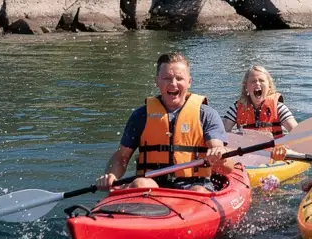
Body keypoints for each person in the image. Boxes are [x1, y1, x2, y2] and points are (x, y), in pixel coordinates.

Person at [96, 53, 235, 192]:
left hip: (195, 184)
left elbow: (219, 152)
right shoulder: (141, 115)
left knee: (198, 190)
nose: (173, 83)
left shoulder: (206, 114)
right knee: (140, 184)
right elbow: (122, 158)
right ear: (157, 81)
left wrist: (218, 153)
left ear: (189, 82)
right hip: (152, 183)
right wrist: (111, 176)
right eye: (166, 78)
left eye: (179, 78)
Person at [223, 64, 297, 139]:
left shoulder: (279, 108)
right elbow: (221, 133)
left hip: (274, 148)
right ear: (246, 87)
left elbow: (297, 133)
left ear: (269, 86)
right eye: (253, 81)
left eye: (261, 80)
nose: (257, 83)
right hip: (246, 148)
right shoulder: (236, 108)